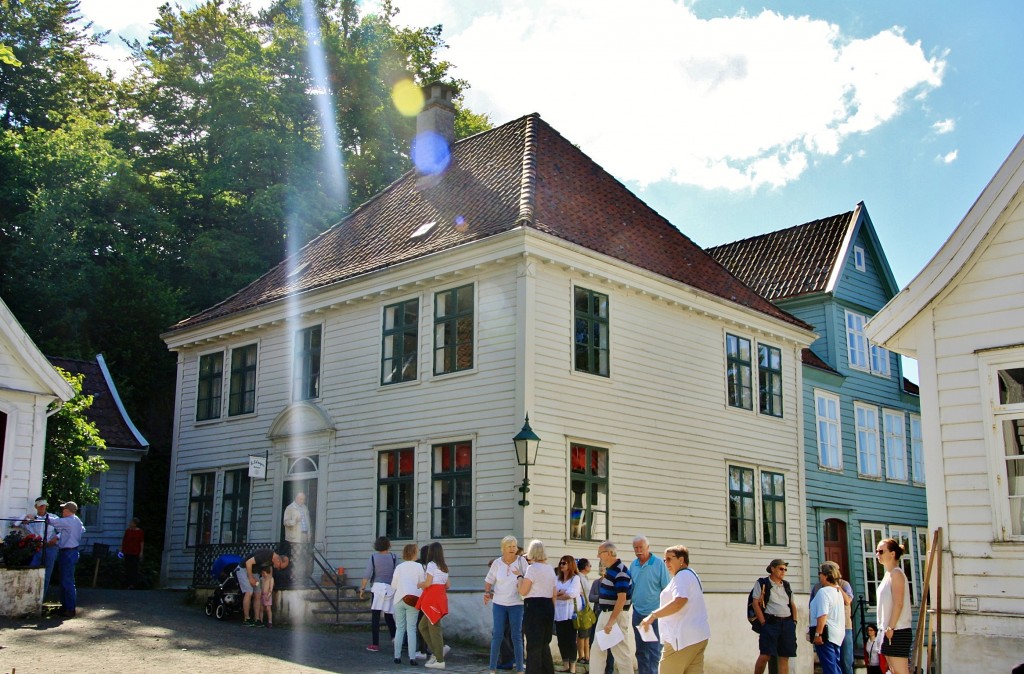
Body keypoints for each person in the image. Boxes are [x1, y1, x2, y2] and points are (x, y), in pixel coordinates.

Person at [639, 545, 710, 673]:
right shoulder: (691, 575)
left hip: (681, 640)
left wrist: (653, 616)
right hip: (698, 637)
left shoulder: (682, 576)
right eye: (665, 560)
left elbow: (679, 601)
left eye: (669, 559)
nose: (666, 563)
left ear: (681, 559)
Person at [484, 535, 528, 674]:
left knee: (516, 635)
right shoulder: (497, 563)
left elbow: (528, 579)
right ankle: (492, 667)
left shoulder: (521, 561)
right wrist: (487, 592)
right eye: (509, 546)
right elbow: (489, 580)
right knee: (497, 634)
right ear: (503, 549)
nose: (512, 549)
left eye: (514, 546)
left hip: (517, 603)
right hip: (499, 603)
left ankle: (520, 668)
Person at [590, 541, 634, 674]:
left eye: (600, 553)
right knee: (597, 651)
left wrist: (611, 621)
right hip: (606, 614)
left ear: (609, 553)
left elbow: (622, 598)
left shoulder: (620, 571)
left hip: (614, 616)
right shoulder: (612, 570)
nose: (598, 556)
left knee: (621, 653)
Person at [630, 535, 671, 674]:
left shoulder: (659, 564)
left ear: (648, 547)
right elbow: (632, 588)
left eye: (641, 547)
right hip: (638, 614)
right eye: (636, 547)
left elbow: (666, 589)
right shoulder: (633, 565)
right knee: (641, 650)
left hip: (655, 615)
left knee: (654, 651)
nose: (638, 550)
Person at [750, 559, 798, 674]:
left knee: (784, 656)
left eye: (785, 569)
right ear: (773, 569)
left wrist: (794, 621)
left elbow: (792, 604)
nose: (784, 572)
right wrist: (763, 623)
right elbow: (755, 603)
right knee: (765, 655)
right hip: (771, 623)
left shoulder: (786, 585)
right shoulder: (762, 583)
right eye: (781, 569)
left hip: (787, 623)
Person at [517, 539, 557, 674]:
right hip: (548, 606)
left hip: (534, 606)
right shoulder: (550, 569)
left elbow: (523, 591)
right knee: (544, 644)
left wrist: (519, 578)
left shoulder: (532, 569)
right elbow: (554, 593)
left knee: (533, 644)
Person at [875, 538, 912, 674]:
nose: (877, 554)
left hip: (898, 630)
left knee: (901, 671)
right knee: (893, 671)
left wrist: (891, 627)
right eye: (876, 551)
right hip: (887, 630)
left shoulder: (896, 574)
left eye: (881, 551)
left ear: (892, 553)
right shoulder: (887, 575)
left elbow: (899, 603)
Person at [809, 561, 853, 674]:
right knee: (835, 665)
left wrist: (818, 634)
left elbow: (823, 614)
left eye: (820, 573)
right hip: (836, 633)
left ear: (826, 575)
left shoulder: (824, 591)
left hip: (826, 635)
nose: (819, 575)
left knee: (830, 667)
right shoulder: (837, 591)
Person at [359, 536, 398, 652]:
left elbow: (367, 574)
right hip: (390, 588)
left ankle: (375, 644)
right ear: (388, 545)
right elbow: (397, 573)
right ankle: (396, 638)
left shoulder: (373, 557)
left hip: (377, 588)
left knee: (375, 616)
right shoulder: (394, 557)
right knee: (389, 615)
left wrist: (362, 588)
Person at [49, 501, 85, 618]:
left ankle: (69, 608)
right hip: (72, 551)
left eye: (64, 509)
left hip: (68, 552)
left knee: (67, 581)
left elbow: (53, 522)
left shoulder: (69, 521)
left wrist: (41, 515)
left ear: (68, 510)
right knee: (65, 580)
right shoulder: (77, 521)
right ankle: (65, 607)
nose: (62, 511)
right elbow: (83, 530)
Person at [418, 541, 451, 670]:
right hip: (441, 598)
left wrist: (420, 584)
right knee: (423, 626)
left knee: (433, 628)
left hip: (432, 599)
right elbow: (448, 585)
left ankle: (439, 659)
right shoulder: (444, 566)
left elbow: (428, 583)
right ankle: (437, 652)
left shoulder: (431, 565)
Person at [236, 548, 289, 626]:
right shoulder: (266, 555)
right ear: (278, 560)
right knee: (249, 592)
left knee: (258, 593)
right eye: (280, 567)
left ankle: (257, 619)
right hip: (243, 568)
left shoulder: (272, 562)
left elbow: (269, 576)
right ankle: (246, 618)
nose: (278, 569)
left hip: (254, 572)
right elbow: (248, 562)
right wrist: (250, 578)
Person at [392, 543, 425, 666]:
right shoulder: (419, 567)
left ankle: (397, 656)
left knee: (399, 628)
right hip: (413, 600)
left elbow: (394, 585)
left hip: (399, 598)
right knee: (411, 629)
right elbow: (422, 584)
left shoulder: (399, 567)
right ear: (415, 553)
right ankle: (412, 657)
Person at [22, 497, 60, 601]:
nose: (42, 507)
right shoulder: (33, 518)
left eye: (44, 505)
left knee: (47, 574)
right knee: (33, 569)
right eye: (40, 506)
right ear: (36, 507)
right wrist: (26, 522)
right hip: (38, 547)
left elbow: (63, 530)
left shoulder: (53, 517)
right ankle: (30, 597)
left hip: (51, 547)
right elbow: (29, 531)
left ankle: (41, 598)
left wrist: (56, 538)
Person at [554, 555, 584, 673]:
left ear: (570, 564)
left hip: (571, 613)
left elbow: (570, 594)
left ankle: (573, 666)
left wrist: (559, 594)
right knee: (561, 640)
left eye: (564, 563)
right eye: (561, 563)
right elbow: (553, 592)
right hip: (559, 613)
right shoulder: (557, 578)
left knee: (571, 640)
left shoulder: (575, 578)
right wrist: (560, 593)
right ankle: (565, 664)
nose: (562, 565)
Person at [282, 492, 311, 582]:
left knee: (304, 556)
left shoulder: (305, 508)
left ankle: (302, 577)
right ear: (296, 498)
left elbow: (308, 522)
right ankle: (294, 577)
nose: (302, 501)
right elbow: (285, 522)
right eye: (301, 499)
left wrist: (310, 534)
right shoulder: (290, 508)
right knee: (296, 557)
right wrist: (294, 521)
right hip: (295, 536)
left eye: (303, 499)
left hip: (304, 535)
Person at [576, 558, 593, 666]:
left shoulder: (585, 578)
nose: (590, 567)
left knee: (587, 634)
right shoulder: (579, 578)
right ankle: (581, 656)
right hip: (582, 608)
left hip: (587, 608)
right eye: (589, 565)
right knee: (582, 634)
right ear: (585, 567)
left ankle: (587, 656)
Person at [121, 517, 144, 589]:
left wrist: (141, 552)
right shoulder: (128, 531)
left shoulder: (140, 532)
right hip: (127, 551)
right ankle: (128, 583)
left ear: (135, 524)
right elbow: (124, 540)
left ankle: (133, 584)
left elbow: (141, 542)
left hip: (135, 551)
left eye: (132, 522)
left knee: (134, 568)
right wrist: (121, 550)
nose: (130, 524)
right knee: (127, 567)